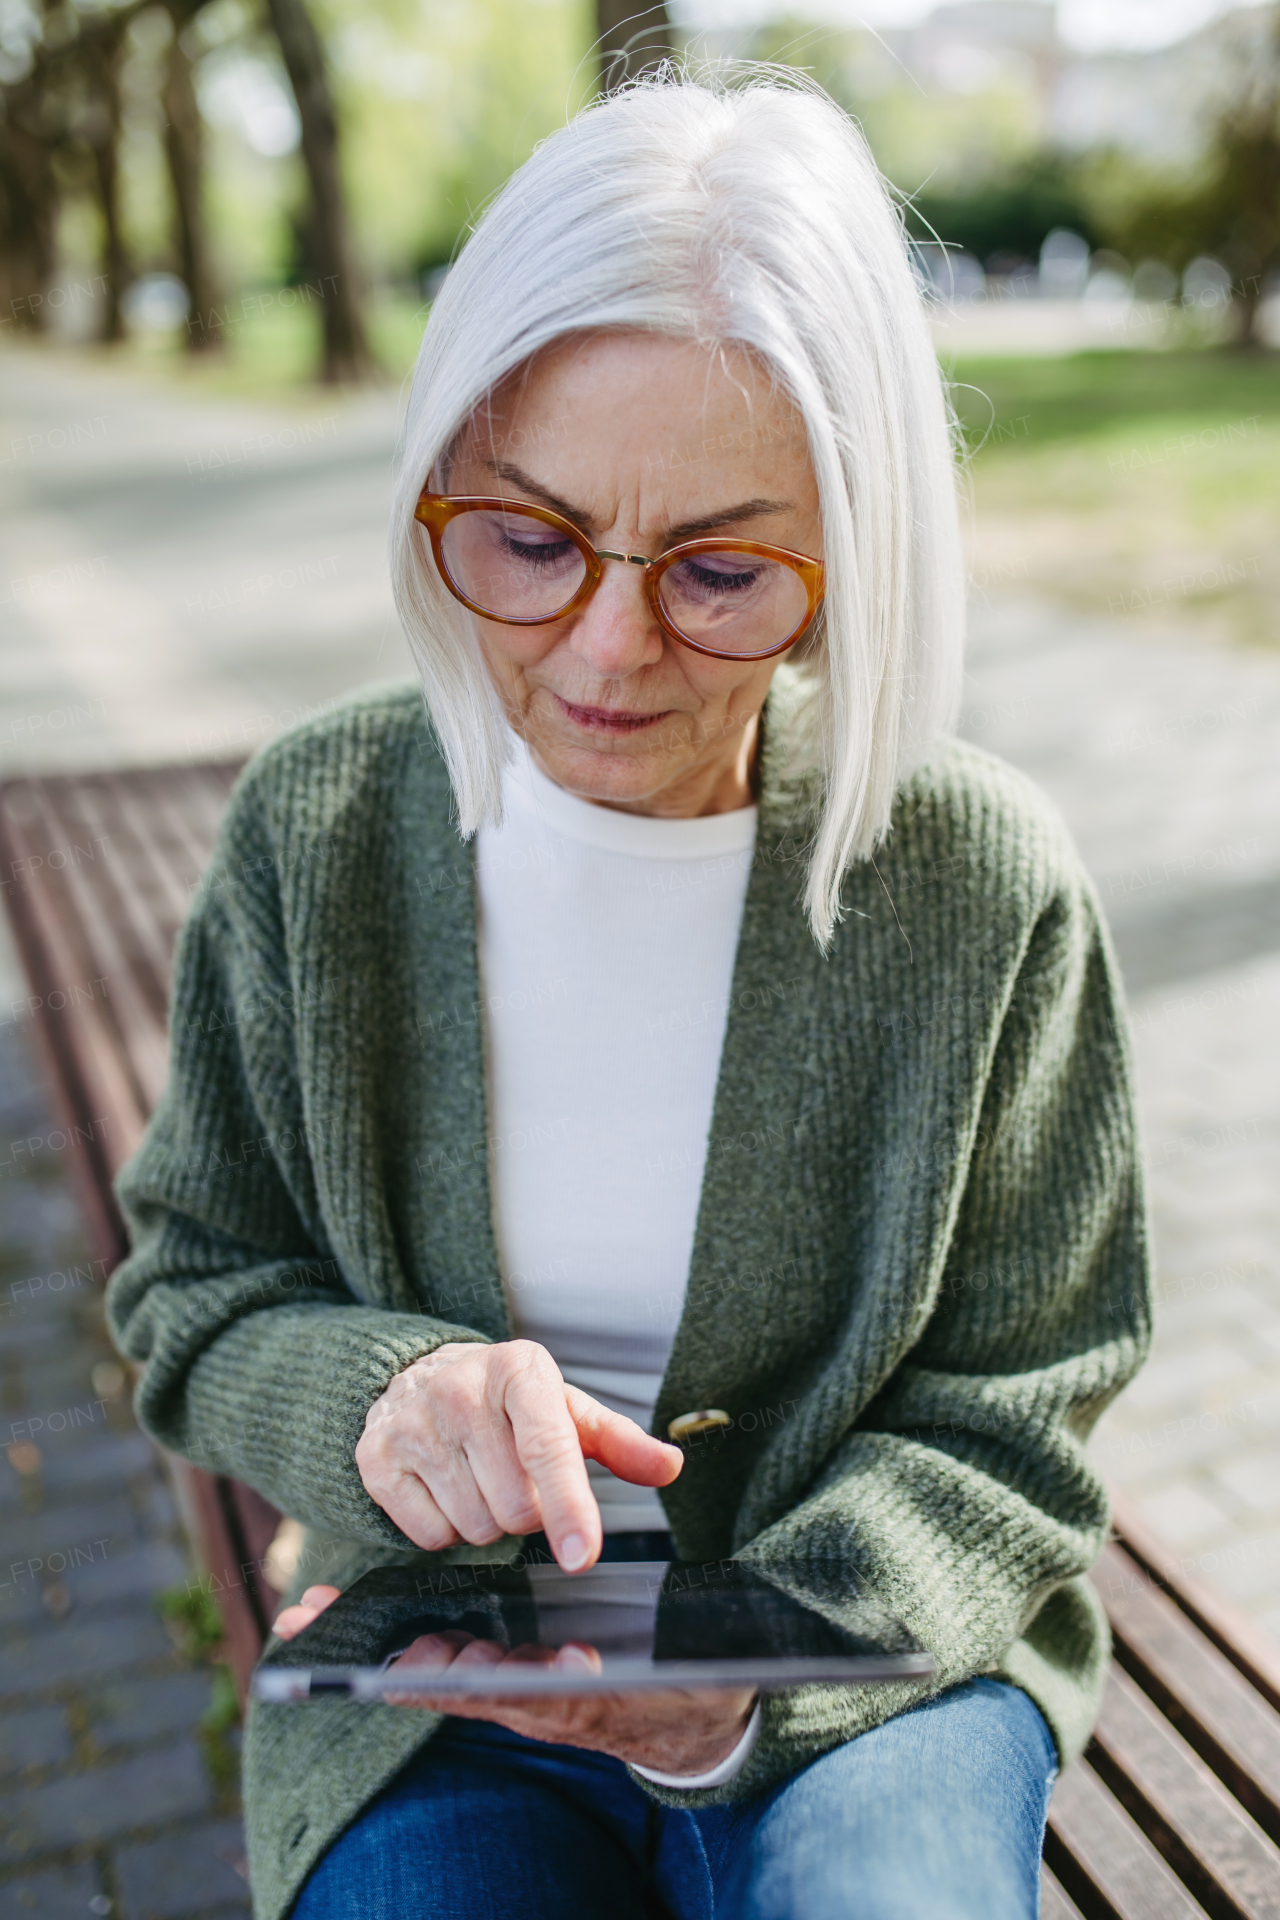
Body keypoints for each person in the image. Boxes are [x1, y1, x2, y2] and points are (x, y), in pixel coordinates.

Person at [106, 69, 1151, 1920]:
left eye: (723, 572)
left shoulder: (982, 888)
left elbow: (1024, 1395)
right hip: (443, 1682)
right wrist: (385, 1399)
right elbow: (196, 1295)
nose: (603, 649)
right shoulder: (321, 836)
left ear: (856, 558)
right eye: (527, 540)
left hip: (865, 1670)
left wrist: (744, 1677)